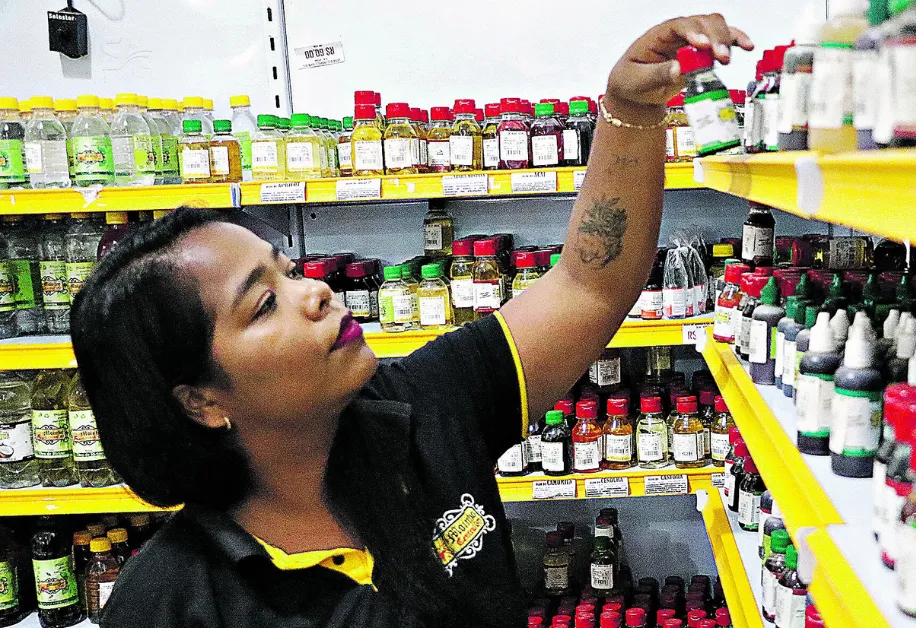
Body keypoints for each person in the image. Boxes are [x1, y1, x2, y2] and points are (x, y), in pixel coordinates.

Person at [72, 15, 752, 628]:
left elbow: (588, 285)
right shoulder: (168, 603)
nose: (316, 293)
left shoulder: (421, 408)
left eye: (290, 270)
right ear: (200, 401)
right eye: (264, 304)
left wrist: (631, 109)